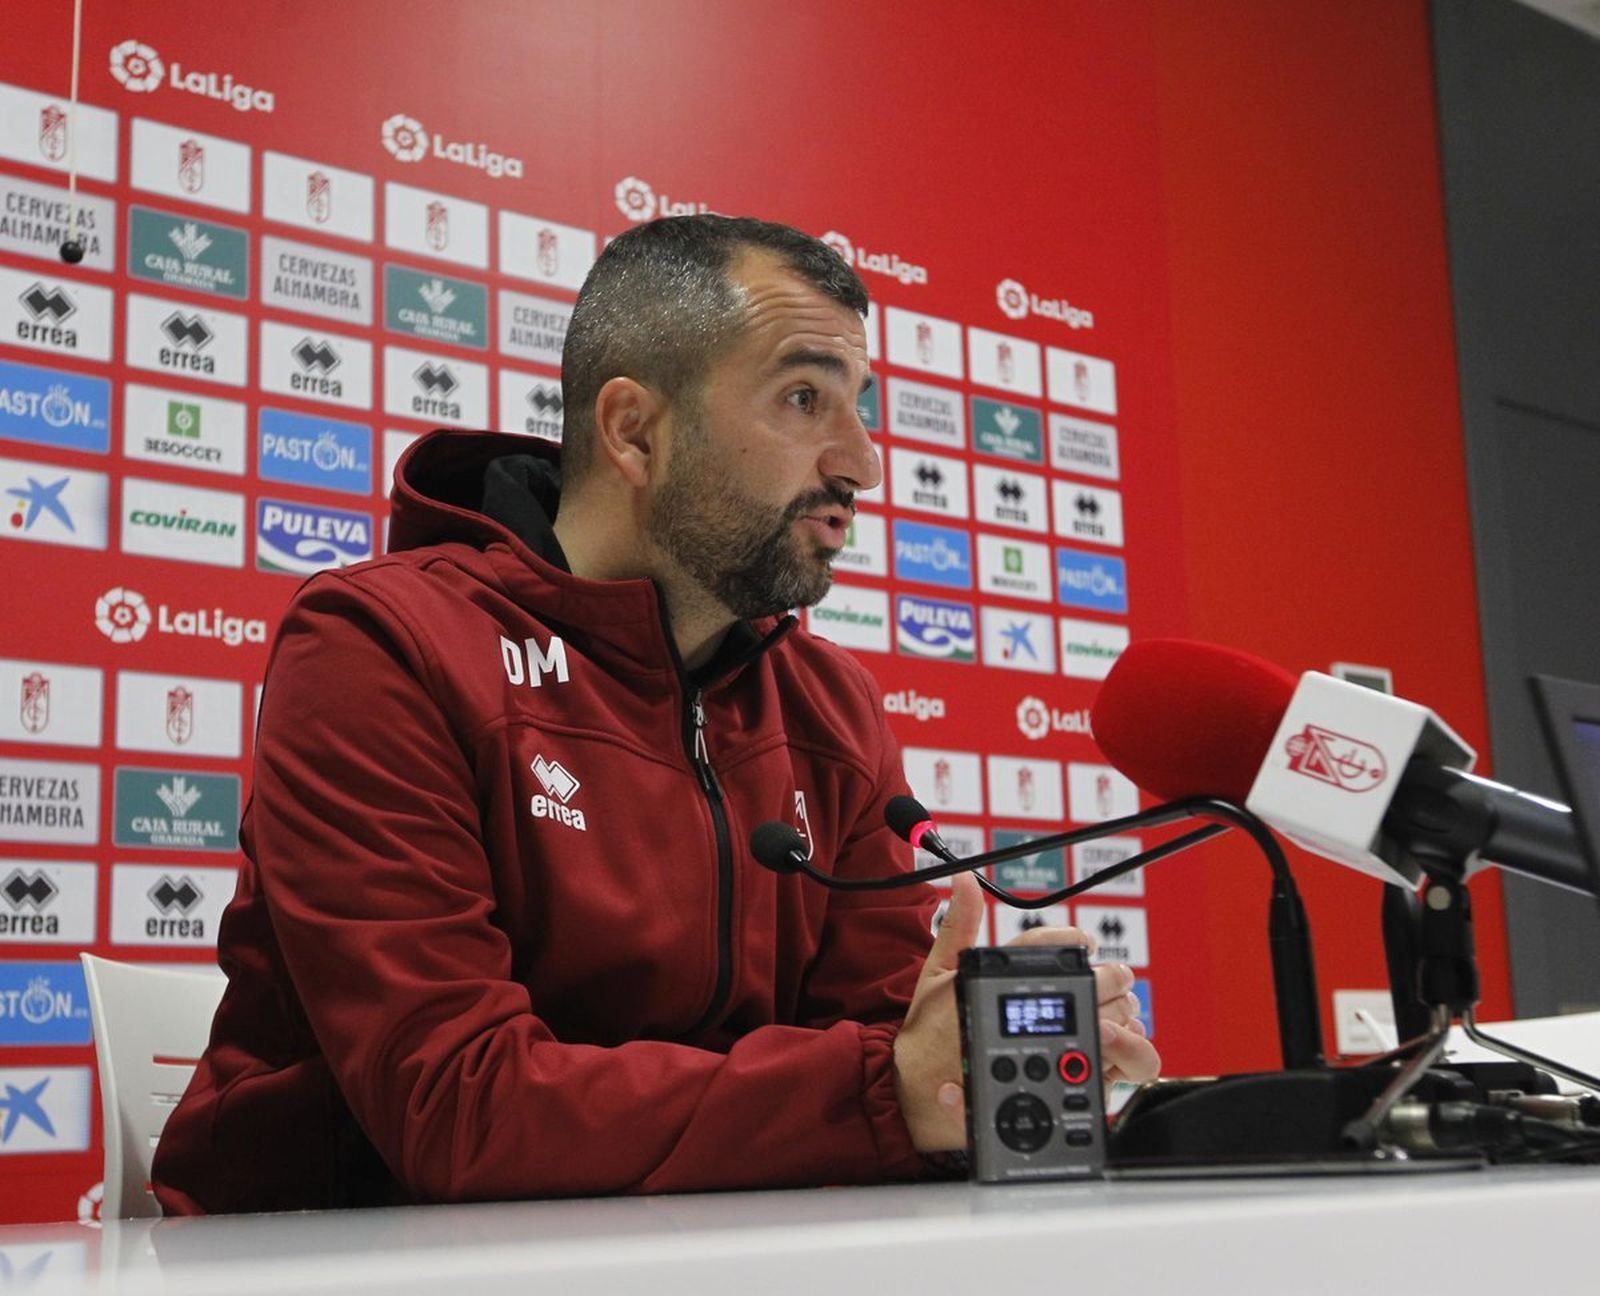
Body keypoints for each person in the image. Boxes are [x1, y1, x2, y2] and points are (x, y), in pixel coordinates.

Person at [152, 215, 1158, 1213]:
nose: (862, 464)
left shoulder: (827, 702)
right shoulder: (383, 645)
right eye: (804, 398)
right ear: (634, 431)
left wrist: (963, 1065)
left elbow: (893, 1063)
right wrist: (886, 1090)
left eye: (861, 407)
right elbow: (458, 1111)